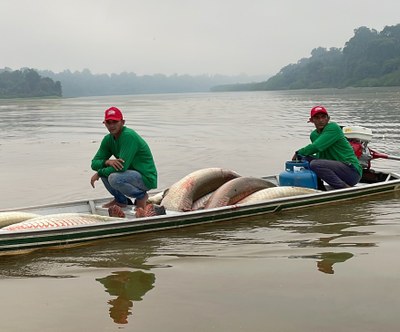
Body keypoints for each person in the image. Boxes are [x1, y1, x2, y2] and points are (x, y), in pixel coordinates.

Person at [90, 106, 157, 210]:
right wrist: (107, 162)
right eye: (109, 122)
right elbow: (94, 163)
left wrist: (99, 173)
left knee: (113, 177)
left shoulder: (128, 136)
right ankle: (121, 200)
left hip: (145, 177)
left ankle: (141, 196)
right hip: (129, 174)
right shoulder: (108, 140)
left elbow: (121, 167)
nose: (111, 125)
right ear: (104, 123)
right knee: (104, 171)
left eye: (115, 122)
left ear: (122, 122)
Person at [293, 105, 362, 190]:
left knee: (315, 164)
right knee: (305, 159)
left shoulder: (333, 127)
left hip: (351, 171)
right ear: (311, 120)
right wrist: (300, 156)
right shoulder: (314, 135)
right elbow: (320, 155)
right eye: (317, 118)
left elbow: (316, 146)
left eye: (323, 117)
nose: (321, 120)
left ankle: (344, 188)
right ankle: (318, 186)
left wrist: (298, 152)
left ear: (328, 119)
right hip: (335, 168)